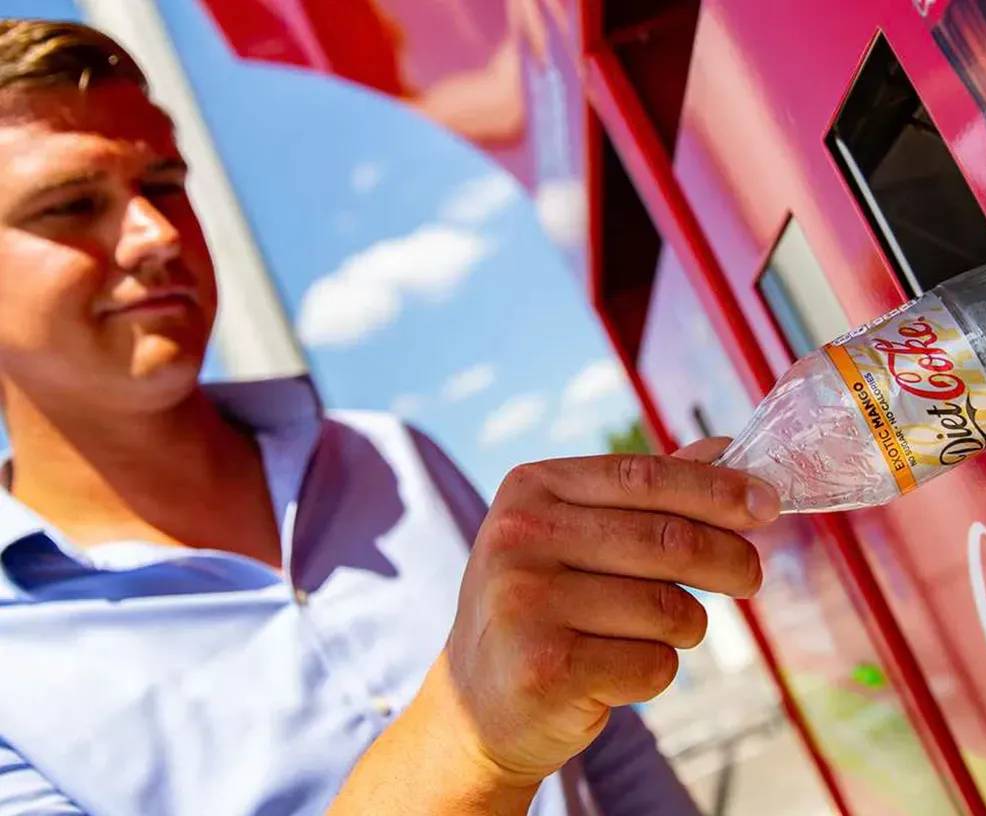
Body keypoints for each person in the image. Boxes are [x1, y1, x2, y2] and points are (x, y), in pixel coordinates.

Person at [0, 19, 780, 816]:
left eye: (165, 182)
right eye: (69, 205)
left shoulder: (391, 456)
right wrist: (475, 737)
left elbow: (607, 750)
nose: (156, 234)